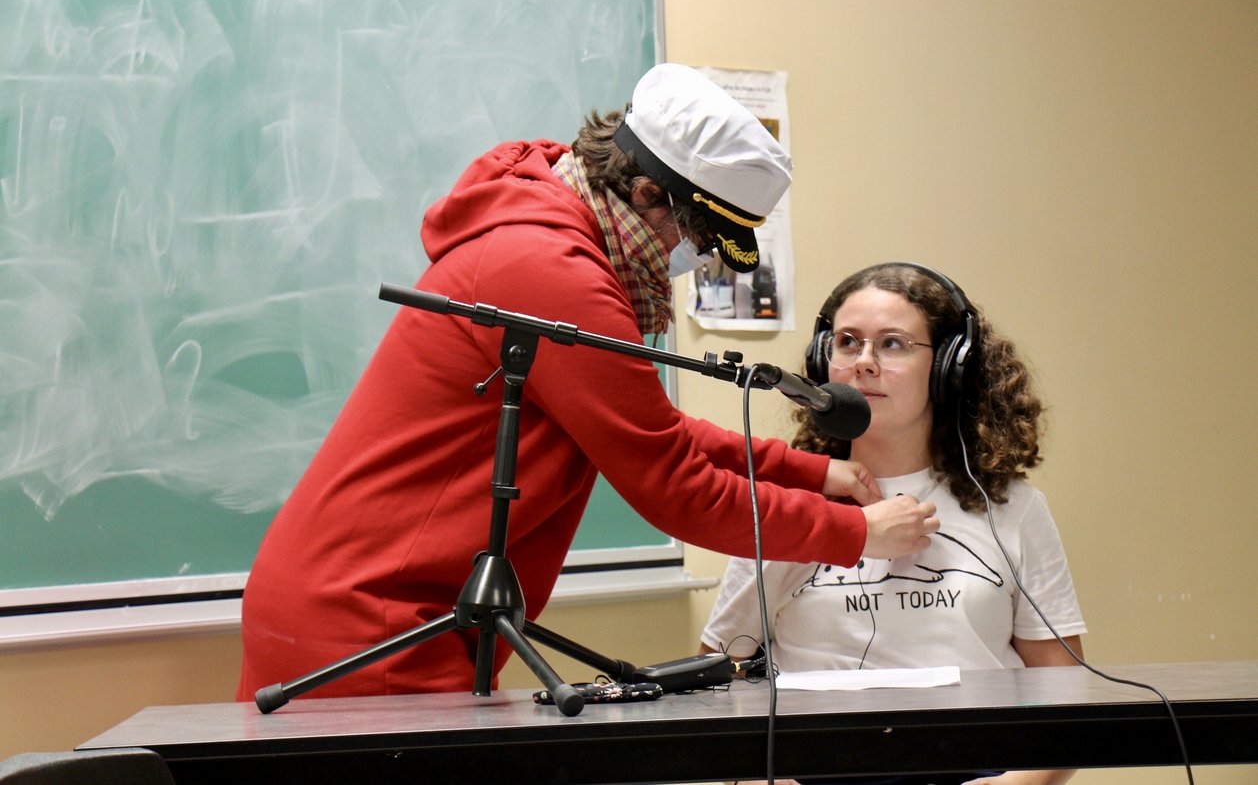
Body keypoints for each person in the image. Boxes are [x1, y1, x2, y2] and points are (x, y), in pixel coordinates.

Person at [236, 65, 939, 701]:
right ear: (644, 192)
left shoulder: (547, 233)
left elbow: (647, 427)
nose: (687, 261)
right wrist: (854, 533)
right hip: (369, 616)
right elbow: (673, 484)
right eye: (694, 238)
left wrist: (813, 473)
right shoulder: (552, 270)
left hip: (378, 601)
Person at [701, 262, 1087, 785]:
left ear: (949, 366)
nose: (863, 363)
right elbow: (718, 687)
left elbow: (1067, 701)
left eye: (893, 344)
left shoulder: (1010, 507)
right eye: (847, 342)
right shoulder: (785, 507)